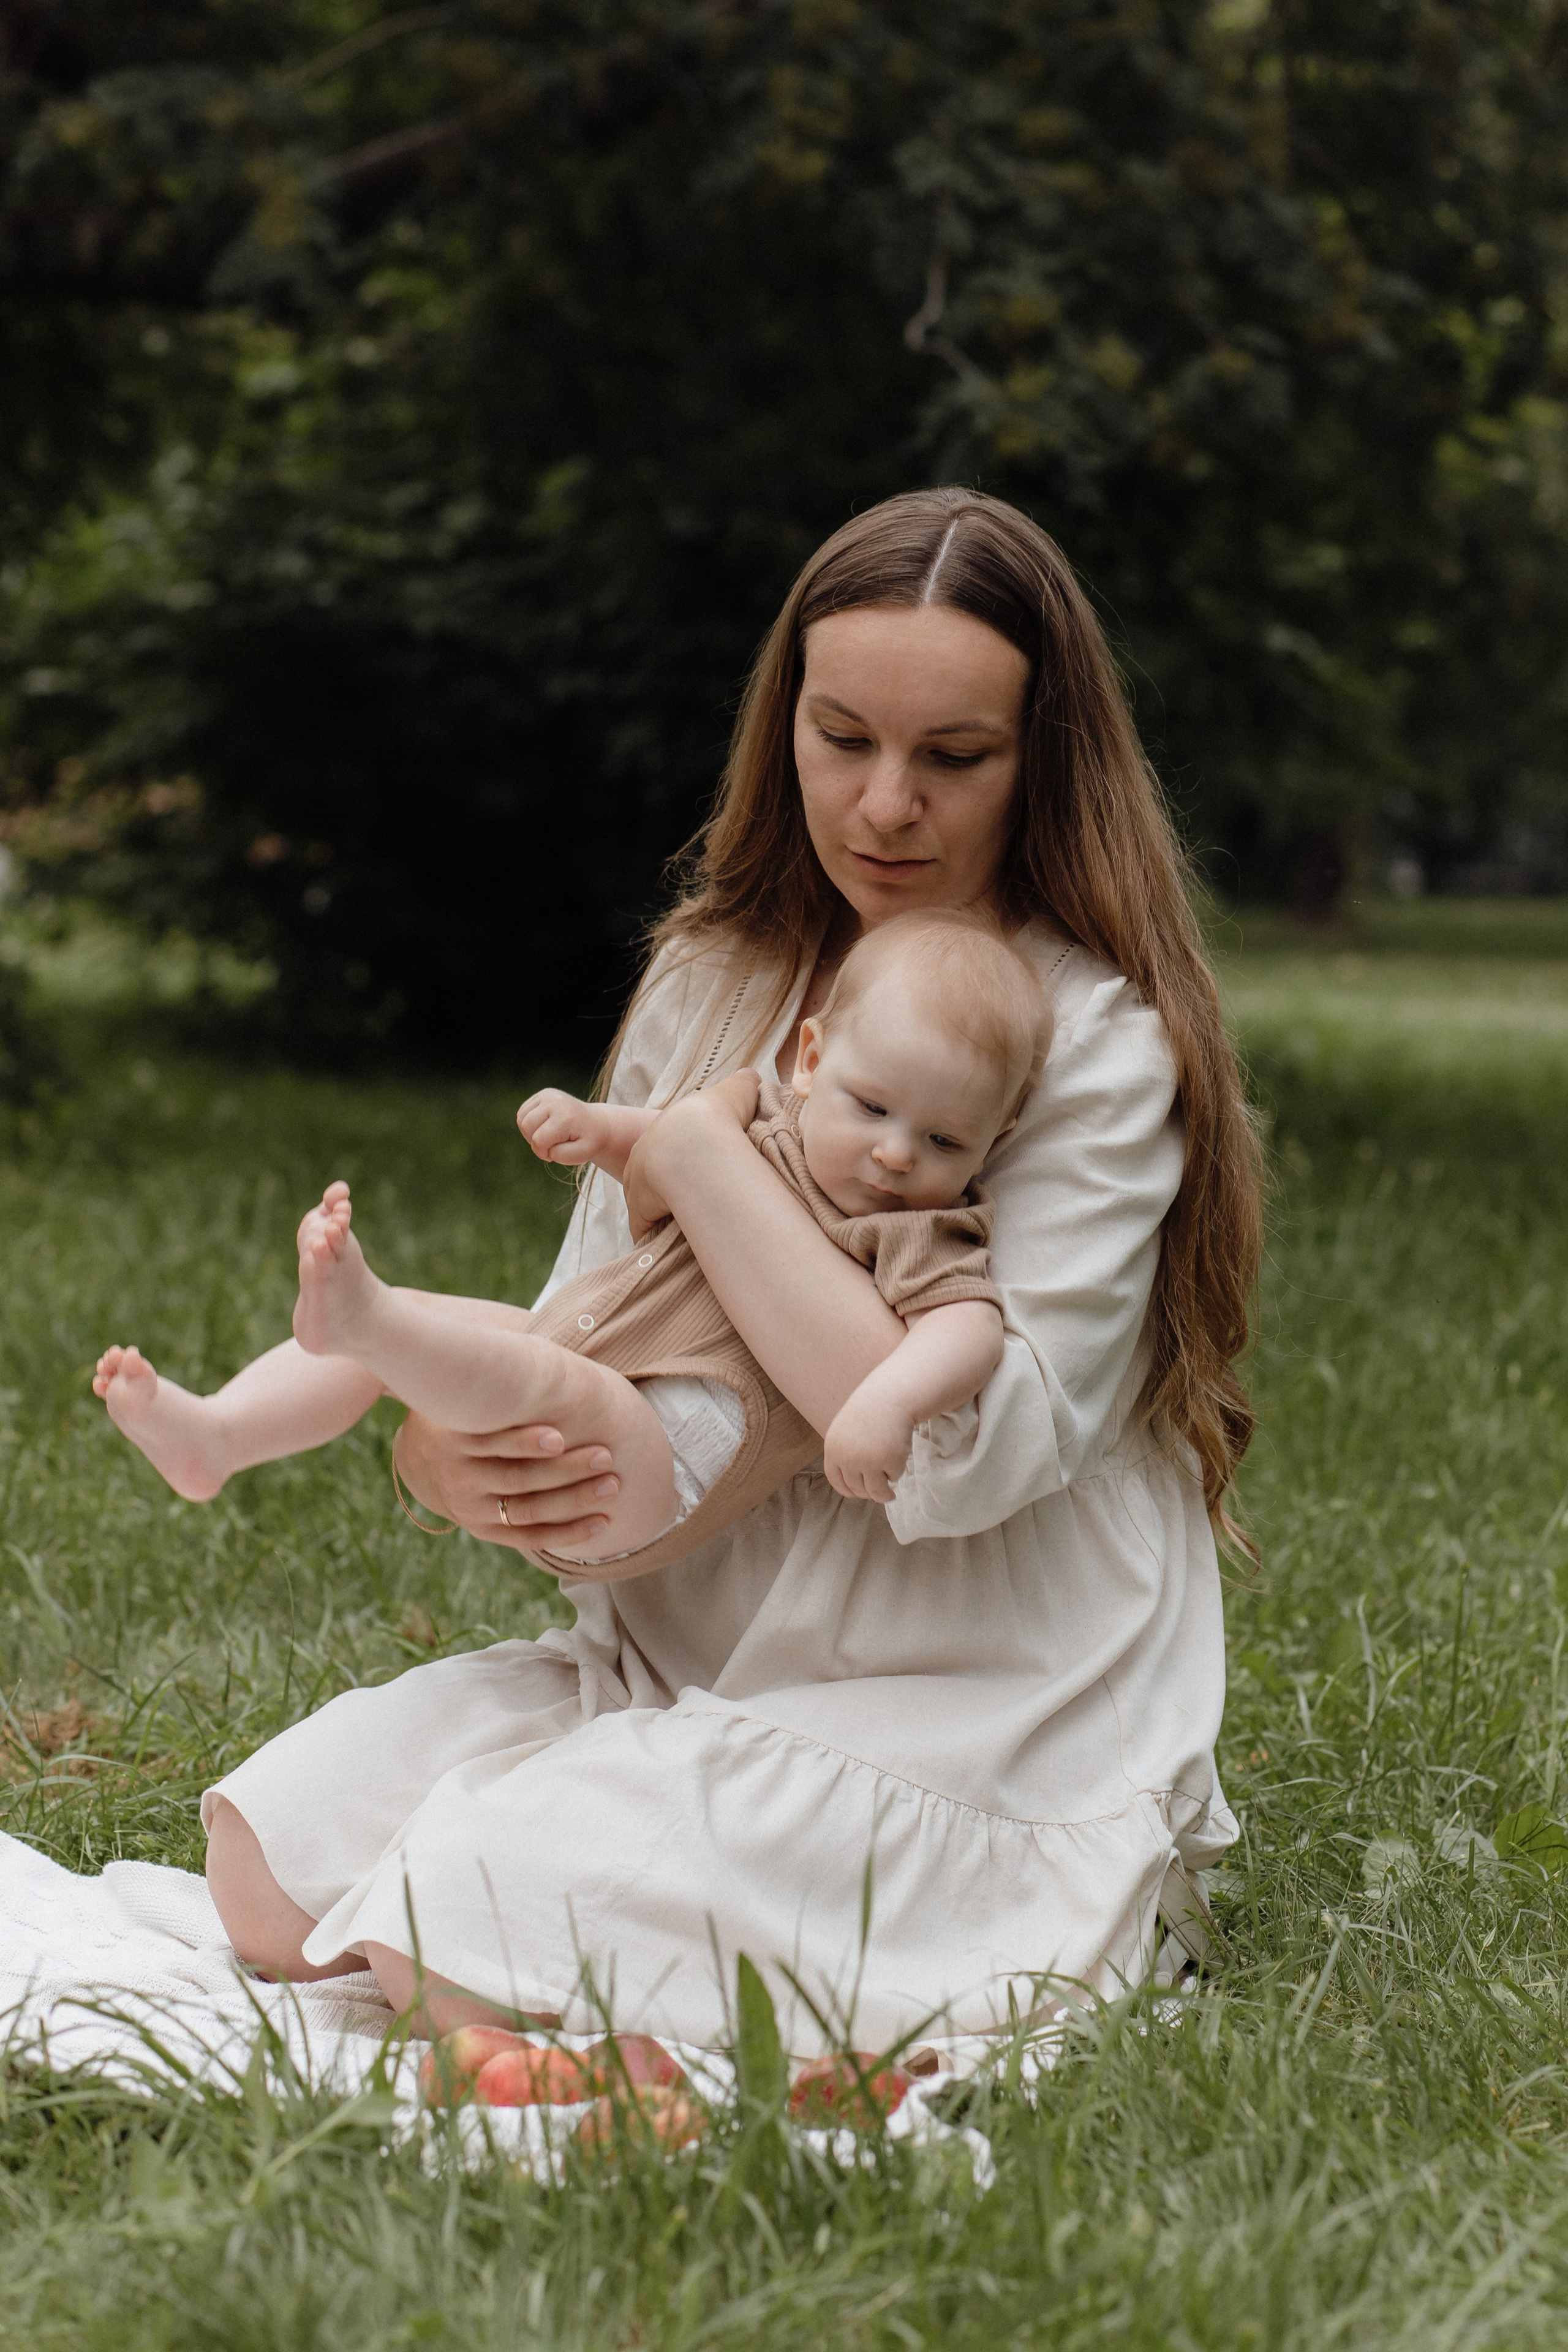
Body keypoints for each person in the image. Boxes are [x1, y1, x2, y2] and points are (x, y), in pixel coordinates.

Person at [200, 486, 1264, 2052]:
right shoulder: (716, 977)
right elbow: (596, 1340)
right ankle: (615, 1874)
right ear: (786, 730)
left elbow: (956, 1459)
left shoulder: (1088, 1040)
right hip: (677, 1664)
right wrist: (459, 1464)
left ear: (1044, 763)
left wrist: (703, 1162)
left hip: (965, 1707)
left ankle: (741, 1956)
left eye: (952, 758)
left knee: (457, 1920)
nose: (885, 804)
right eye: (842, 739)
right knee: (263, 1879)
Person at [91, 910, 1044, 1566]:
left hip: (661, 1464)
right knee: (465, 1331)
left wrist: (889, 1402)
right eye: (873, 1106)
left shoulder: (921, 1228)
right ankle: (216, 1434)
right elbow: (669, 1146)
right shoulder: (759, 1114)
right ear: (812, 1055)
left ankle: (367, 1318)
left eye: (943, 1140)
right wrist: (601, 1128)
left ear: (991, 1143)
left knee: (541, 1382)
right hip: (605, 1359)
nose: (892, 1153)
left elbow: (968, 1329)